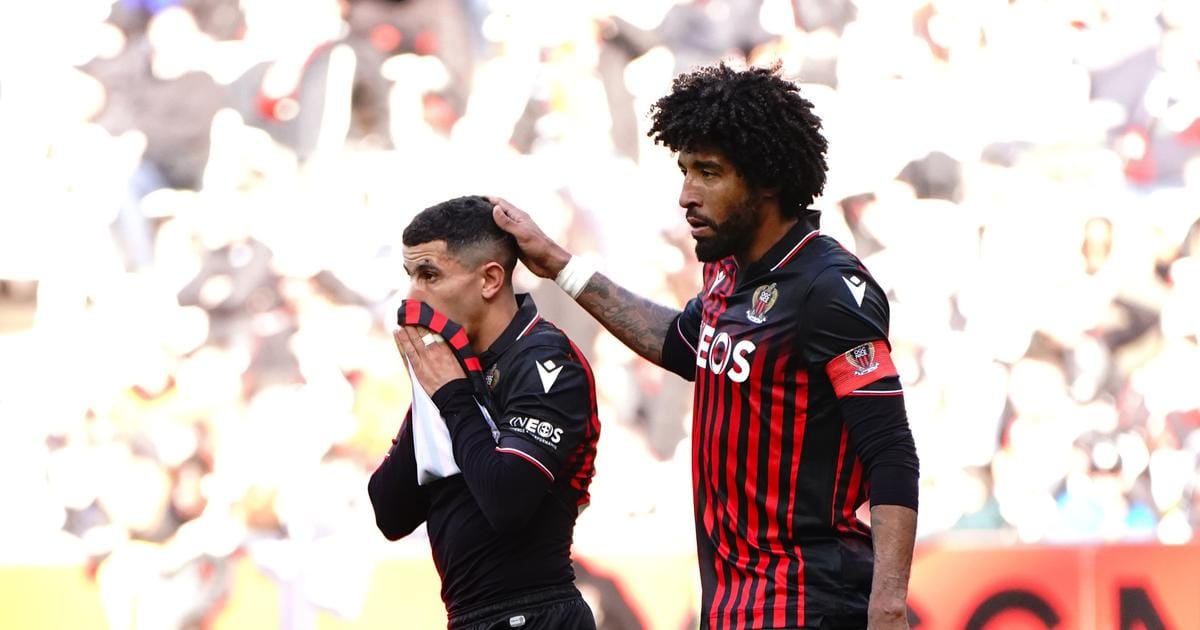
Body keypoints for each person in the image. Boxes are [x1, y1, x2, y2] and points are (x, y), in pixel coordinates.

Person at [490, 62, 920, 629]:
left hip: (807, 603)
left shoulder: (829, 288)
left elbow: (891, 452)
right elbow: (679, 342)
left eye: (709, 173)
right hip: (731, 604)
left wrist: (888, 606)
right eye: (685, 171)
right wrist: (560, 265)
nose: (686, 195)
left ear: (767, 179)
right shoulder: (726, 268)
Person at [367, 195, 602, 630]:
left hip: (537, 615)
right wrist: (429, 391)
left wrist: (453, 396)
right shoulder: (454, 369)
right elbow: (390, 513)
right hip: (468, 619)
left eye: (429, 275)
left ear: (490, 279)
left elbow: (507, 501)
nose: (412, 296)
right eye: (410, 276)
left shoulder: (546, 360)